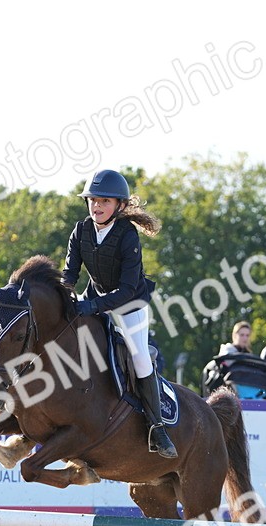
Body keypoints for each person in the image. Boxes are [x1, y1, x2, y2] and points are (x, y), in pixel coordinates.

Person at [62, 168, 174, 458]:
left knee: (139, 357)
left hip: (129, 303)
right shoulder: (81, 230)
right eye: (93, 200)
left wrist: (92, 306)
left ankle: (157, 427)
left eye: (105, 201)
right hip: (95, 294)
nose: (97, 206)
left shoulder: (127, 235)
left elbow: (126, 289)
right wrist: (62, 295)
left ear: (120, 205)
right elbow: (69, 274)